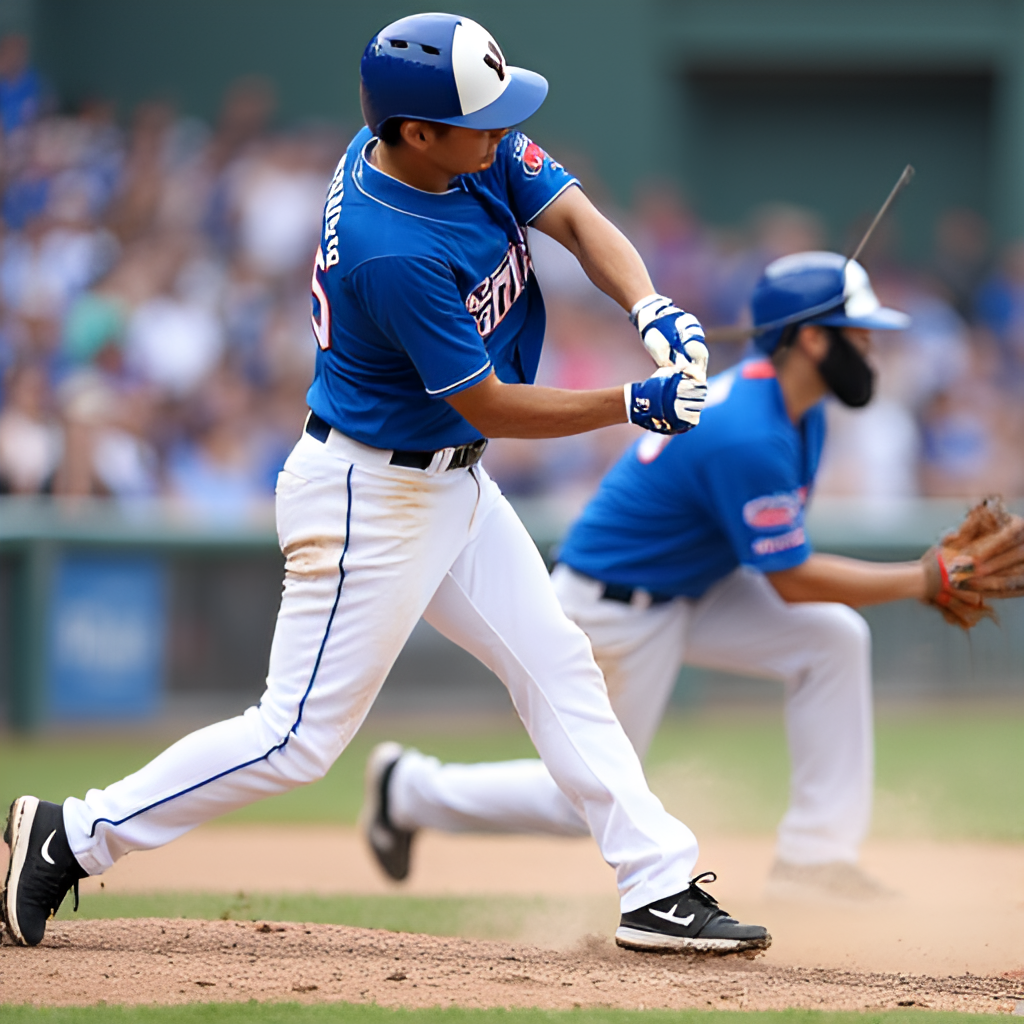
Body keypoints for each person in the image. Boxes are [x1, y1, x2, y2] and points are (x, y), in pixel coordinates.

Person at [3, 13, 768, 956]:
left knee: (558, 665)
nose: (501, 133)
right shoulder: (390, 240)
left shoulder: (444, 143)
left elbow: (572, 215)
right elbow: (490, 404)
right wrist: (630, 400)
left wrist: (649, 304)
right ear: (415, 130)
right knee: (295, 740)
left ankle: (655, 884)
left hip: (447, 484)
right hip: (373, 495)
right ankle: (72, 833)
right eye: (480, 122)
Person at [365, 250, 918, 901]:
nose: (873, 348)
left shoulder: (801, 411)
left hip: (694, 589)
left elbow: (775, 567)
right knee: (583, 802)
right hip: (615, 607)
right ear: (814, 339)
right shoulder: (750, 429)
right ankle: (408, 790)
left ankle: (816, 857)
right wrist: (925, 579)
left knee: (833, 639)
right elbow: (791, 579)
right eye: (860, 333)